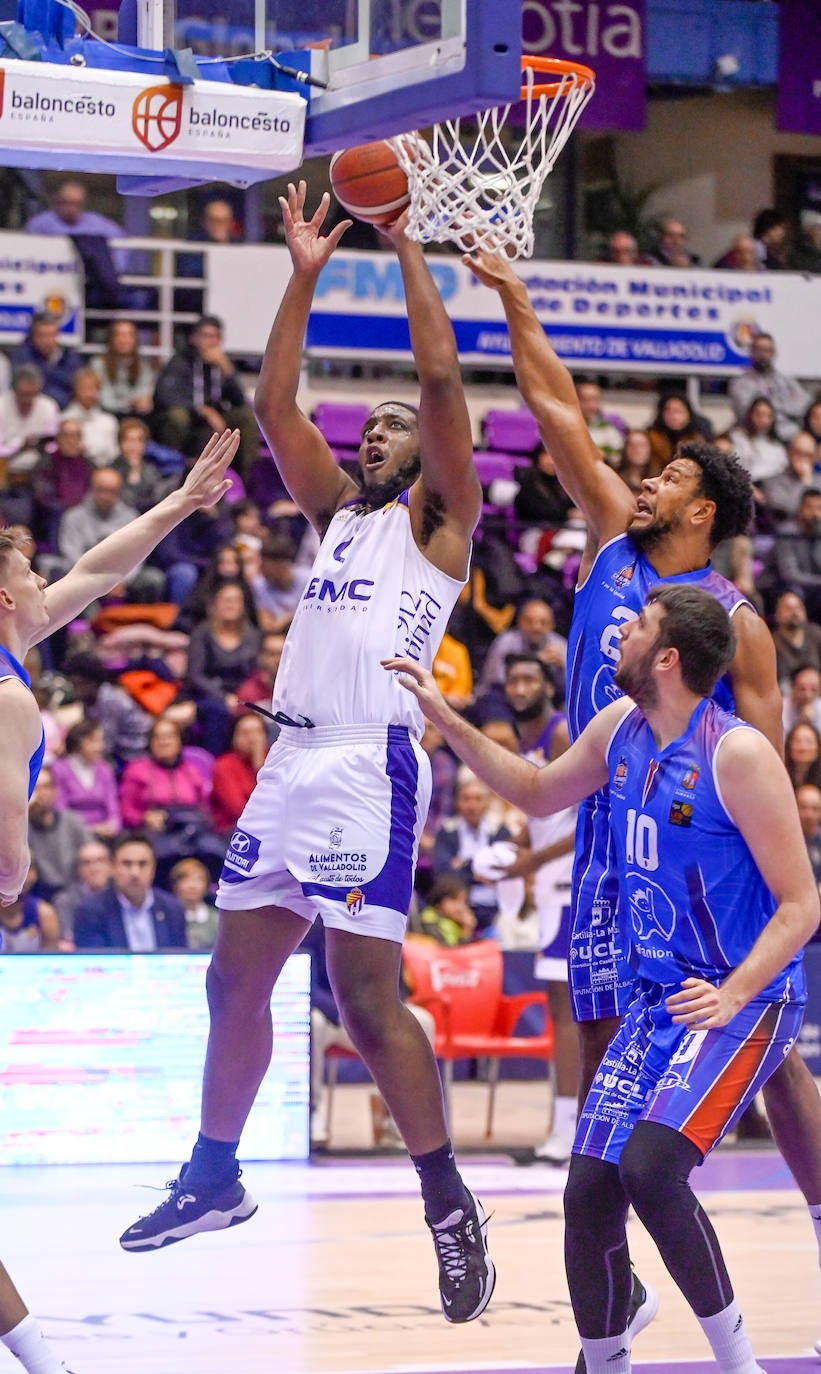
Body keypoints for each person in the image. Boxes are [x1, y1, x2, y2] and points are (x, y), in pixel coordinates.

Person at [117, 182, 494, 1327]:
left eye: (387, 426)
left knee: (363, 1000)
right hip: (290, 765)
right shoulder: (335, 515)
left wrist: (405, 247)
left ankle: (443, 1201)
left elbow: (435, 386)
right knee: (232, 976)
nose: (373, 428)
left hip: (370, 762)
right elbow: (276, 400)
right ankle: (216, 1171)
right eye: (365, 424)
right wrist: (303, 269)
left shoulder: (440, 530)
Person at [464, 247, 821, 1362]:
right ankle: (610, 1305)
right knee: (605, 1065)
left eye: (667, 475)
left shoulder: (736, 622)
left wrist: (765, 887)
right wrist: (514, 295)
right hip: (605, 844)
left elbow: (751, 760)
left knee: (772, 1055)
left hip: (698, 856)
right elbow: (552, 406)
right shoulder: (612, 540)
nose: (643, 478)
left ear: (700, 509)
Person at [384, 582, 819, 1374]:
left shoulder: (739, 753)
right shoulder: (621, 726)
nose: (615, 635)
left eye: (635, 627)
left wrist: (729, 991)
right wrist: (443, 719)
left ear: (668, 658)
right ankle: (606, 1363)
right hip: (656, 1001)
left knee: (651, 1171)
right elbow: (535, 788)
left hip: (741, 997)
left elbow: (801, 904)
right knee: (586, 1192)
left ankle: (739, 1366)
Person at [0, 434, 241, 1372]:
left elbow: (100, 570)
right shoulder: (13, 698)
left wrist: (180, 504)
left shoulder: (18, 650)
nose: (44, 572)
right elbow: (12, 863)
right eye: (28, 565)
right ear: (7, 596)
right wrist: (18, 876)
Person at [498, 654, 578, 1167]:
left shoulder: (561, 734)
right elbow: (550, 812)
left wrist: (533, 859)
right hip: (550, 881)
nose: (520, 686)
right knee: (562, 1010)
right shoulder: (527, 739)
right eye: (513, 679)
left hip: (570, 880)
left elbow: (592, 817)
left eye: (530, 678)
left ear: (547, 687)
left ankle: (569, 1131)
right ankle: (569, 1127)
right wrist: (516, 846)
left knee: (566, 1010)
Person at [151, 315, 258, 479]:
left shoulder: (221, 362)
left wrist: (227, 372)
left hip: (218, 416)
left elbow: (238, 399)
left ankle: (247, 479)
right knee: (176, 416)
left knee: (246, 416)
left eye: (216, 337)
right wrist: (202, 410)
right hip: (191, 416)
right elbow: (165, 395)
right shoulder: (181, 361)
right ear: (194, 338)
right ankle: (172, 473)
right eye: (206, 336)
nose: (211, 341)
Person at [73, 831, 187, 950]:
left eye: (142, 864)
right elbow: (92, 963)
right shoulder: (91, 911)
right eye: (127, 864)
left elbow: (179, 959)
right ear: (113, 867)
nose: (135, 873)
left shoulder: (172, 908)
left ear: (153, 868)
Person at [729, 332, 812, 444]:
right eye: (759, 350)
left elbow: (805, 405)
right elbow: (747, 414)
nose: (763, 355)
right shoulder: (740, 383)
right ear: (752, 352)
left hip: (792, 435)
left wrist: (774, 405)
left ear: (773, 353)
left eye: (767, 350)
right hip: (758, 438)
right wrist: (786, 404)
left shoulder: (785, 380)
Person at [51, 719, 120, 837]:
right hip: (73, 834)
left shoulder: (105, 769)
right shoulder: (59, 769)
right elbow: (60, 809)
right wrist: (88, 829)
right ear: (78, 742)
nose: (100, 747)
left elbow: (113, 806)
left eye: (100, 741)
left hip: (105, 834)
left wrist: (112, 826)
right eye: (93, 741)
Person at [209, 711, 269, 836]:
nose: (253, 739)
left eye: (258, 732)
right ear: (234, 738)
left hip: (271, 828)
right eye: (245, 733)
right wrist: (258, 769)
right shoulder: (224, 765)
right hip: (235, 831)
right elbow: (238, 810)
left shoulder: (275, 761)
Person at [10, 312, 82, 411]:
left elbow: (78, 387)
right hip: (33, 410)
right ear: (33, 336)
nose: (46, 341)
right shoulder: (22, 356)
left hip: (67, 410)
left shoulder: (70, 356)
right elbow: (24, 389)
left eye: (51, 335)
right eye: (42, 335)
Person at [89, 319, 155, 420]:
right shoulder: (98, 364)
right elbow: (105, 402)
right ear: (111, 339)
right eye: (120, 335)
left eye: (129, 335)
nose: (125, 340)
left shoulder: (143, 366)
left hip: (136, 418)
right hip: (106, 417)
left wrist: (138, 403)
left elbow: (144, 400)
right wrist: (130, 403)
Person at [416, 872, 476, 945]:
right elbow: (445, 953)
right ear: (439, 900)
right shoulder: (430, 920)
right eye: (454, 899)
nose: (461, 907)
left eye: (464, 902)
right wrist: (466, 931)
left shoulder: (457, 921)